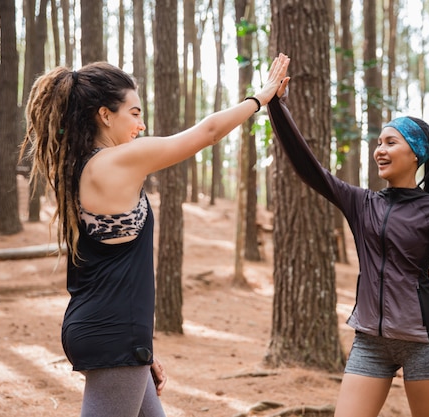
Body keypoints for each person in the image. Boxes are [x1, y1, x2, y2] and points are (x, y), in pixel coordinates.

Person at [21, 53, 290, 417]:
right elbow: (207, 133)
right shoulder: (116, 161)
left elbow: (112, 268)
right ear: (104, 114)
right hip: (112, 330)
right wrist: (260, 98)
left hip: (110, 329)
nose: (142, 125)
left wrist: (143, 349)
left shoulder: (80, 166)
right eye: (134, 113)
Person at [267, 81, 429, 417]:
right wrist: (276, 106)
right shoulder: (362, 203)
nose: (379, 150)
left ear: (415, 153)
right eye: (378, 143)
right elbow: (308, 167)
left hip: (425, 345)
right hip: (369, 341)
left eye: (390, 142)